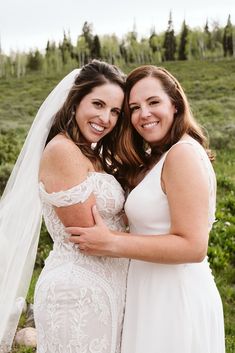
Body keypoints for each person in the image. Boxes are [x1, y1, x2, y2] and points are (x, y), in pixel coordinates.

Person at [67, 65, 225, 353]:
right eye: (134, 108)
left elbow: (193, 246)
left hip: (175, 300)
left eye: (154, 102)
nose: (144, 115)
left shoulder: (183, 155)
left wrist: (112, 242)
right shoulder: (159, 155)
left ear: (175, 105)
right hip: (151, 294)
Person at [0, 60, 129, 353]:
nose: (105, 118)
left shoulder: (95, 153)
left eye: (114, 111)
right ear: (75, 102)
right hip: (77, 292)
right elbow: (90, 237)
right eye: (97, 104)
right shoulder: (62, 151)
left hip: (108, 285)